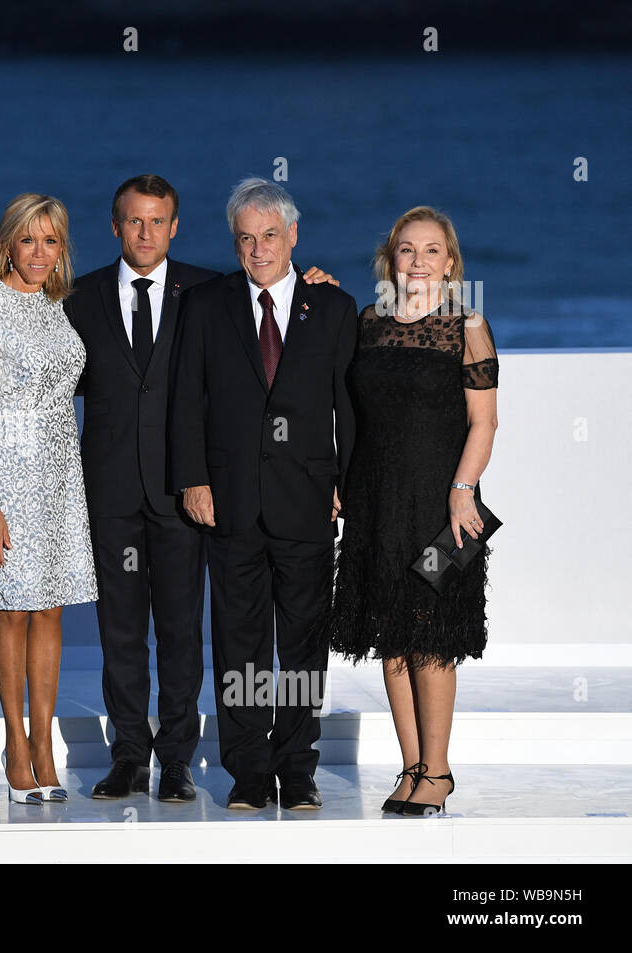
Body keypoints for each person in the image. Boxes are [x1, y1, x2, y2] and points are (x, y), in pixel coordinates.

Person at [68, 175, 338, 802]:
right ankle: (129, 755)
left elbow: (280, 312)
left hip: (186, 499)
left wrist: (315, 285)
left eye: (157, 221)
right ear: (115, 226)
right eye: (134, 222)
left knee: (185, 633)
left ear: (175, 226)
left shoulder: (204, 290)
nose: (145, 233)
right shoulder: (78, 299)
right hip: (114, 490)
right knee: (121, 632)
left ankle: (178, 762)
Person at [169, 177, 357, 811]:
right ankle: (249, 771)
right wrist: (193, 479)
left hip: (305, 502)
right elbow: (185, 401)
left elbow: (348, 409)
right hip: (230, 504)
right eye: (246, 239)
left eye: (270, 236)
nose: (259, 250)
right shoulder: (205, 303)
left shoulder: (332, 308)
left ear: (293, 236)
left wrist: (343, 486)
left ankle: (297, 769)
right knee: (240, 644)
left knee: (303, 644)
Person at [323, 206, 498, 816]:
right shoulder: (368, 322)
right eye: (406, 249)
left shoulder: (466, 326)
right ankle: (411, 768)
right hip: (375, 500)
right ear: (389, 259)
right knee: (390, 635)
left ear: (449, 263)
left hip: (442, 509)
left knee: (431, 635)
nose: (418, 261)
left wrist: (463, 489)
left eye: (430, 250)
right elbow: (354, 414)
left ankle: (440, 772)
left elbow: (484, 421)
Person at [0, 193, 97, 804]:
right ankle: (15, 743)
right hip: (10, 475)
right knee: (13, 609)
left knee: (52, 611)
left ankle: (45, 745)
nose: (39, 252)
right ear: (8, 245)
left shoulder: (59, 308)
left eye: (51, 240)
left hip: (62, 475)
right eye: (28, 240)